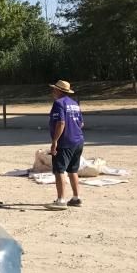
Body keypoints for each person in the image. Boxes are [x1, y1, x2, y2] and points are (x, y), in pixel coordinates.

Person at [45, 79, 85, 211]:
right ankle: (76, 198)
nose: (52, 91)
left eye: (54, 89)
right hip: (78, 141)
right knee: (73, 170)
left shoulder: (58, 103)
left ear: (58, 91)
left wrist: (54, 141)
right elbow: (81, 123)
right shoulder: (74, 103)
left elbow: (61, 122)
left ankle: (61, 200)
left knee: (59, 170)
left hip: (65, 142)